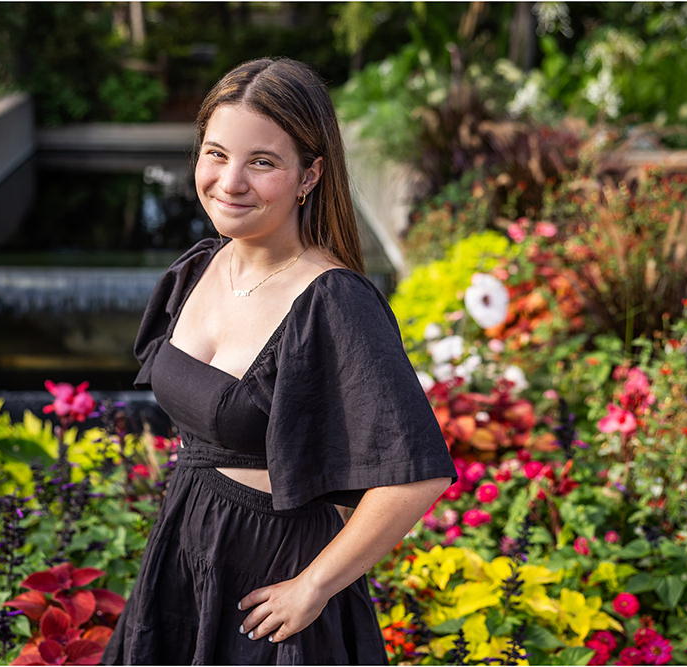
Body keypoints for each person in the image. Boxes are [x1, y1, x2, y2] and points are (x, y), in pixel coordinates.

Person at [102, 57, 457, 665]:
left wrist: (313, 585)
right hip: (187, 550)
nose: (230, 181)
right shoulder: (201, 266)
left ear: (309, 176)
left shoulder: (334, 301)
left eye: (261, 162)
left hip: (270, 581)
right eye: (216, 154)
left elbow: (417, 474)